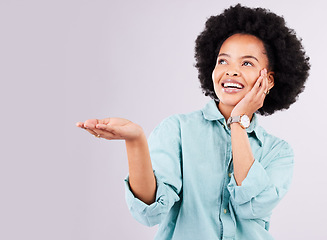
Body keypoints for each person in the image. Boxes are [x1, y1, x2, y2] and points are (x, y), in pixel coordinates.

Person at [75, 4, 310, 240]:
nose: (231, 71)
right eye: (223, 61)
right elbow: (150, 212)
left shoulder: (278, 153)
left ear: (268, 80)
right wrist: (136, 141)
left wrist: (239, 122)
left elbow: (252, 205)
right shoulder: (177, 130)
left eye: (246, 63)